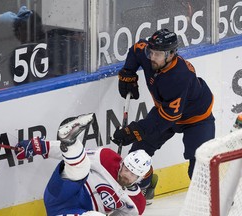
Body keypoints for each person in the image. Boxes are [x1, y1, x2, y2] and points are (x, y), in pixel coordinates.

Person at [112, 28, 215, 196]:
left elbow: (166, 119)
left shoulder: (179, 77)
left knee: (199, 168)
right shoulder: (149, 55)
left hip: (196, 119)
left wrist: (135, 130)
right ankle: (146, 188)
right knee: (136, 159)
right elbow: (136, 50)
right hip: (165, 111)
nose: (152, 57)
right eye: (151, 51)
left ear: (171, 54)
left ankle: (218, 204)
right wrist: (128, 73)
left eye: (157, 54)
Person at [15, 113, 152, 216]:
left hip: (73, 213)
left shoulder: (136, 204)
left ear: (140, 178)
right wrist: (42, 147)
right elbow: (80, 157)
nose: (125, 174)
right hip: (62, 191)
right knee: (82, 166)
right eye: (126, 168)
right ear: (122, 163)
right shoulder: (107, 158)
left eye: (132, 174)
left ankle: (72, 144)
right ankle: (71, 142)